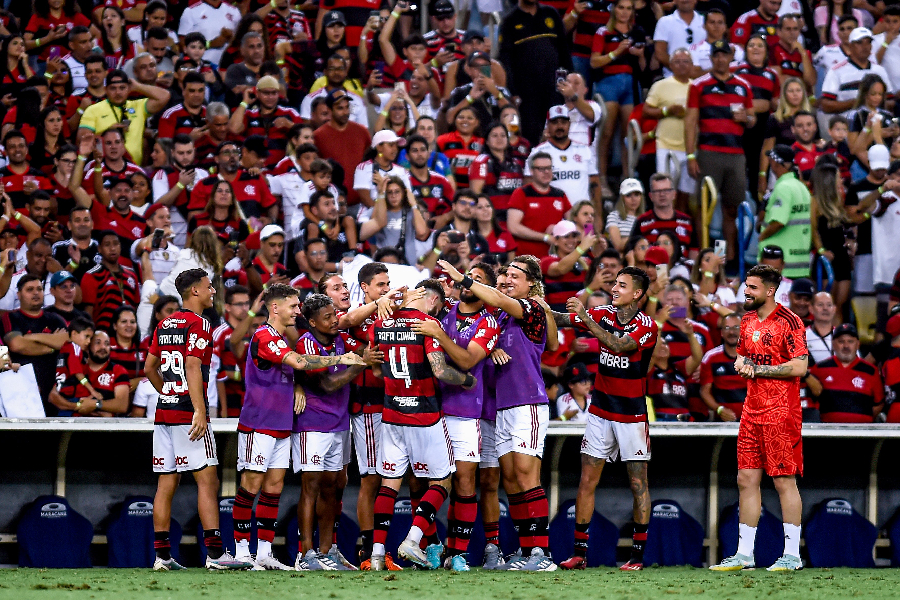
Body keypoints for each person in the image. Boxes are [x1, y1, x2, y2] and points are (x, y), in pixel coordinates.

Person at [438, 256, 559, 571]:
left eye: (515, 275)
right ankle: (524, 550)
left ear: (531, 282)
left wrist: (462, 278)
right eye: (505, 274)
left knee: (525, 474)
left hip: (527, 401)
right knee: (510, 479)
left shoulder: (531, 308)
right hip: (501, 405)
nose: (507, 279)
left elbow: (552, 343)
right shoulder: (500, 317)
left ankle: (542, 554)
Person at [232, 284, 364, 570]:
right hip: (258, 422)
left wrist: (297, 387)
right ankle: (241, 550)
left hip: (282, 423)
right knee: (250, 486)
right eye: (293, 306)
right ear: (275, 307)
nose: (297, 310)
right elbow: (301, 362)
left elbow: (291, 370)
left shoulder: (280, 338)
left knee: (274, 488)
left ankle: (265, 551)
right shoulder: (264, 336)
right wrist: (340, 359)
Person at [542, 266, 657, 570]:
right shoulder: (603, 313)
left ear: (637, 294)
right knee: (586, 481)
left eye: (622, 285)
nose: (615, 288)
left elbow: (619, 345)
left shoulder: (647, 325)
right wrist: (539, 308)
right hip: (600, 411)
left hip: (631, 415)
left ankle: (637, 556)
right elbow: (566, 319)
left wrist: (587, 317)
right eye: (614, 284)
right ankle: (579, 553)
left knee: (638, 484)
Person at [145, 269, 251, 571]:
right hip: (188, 414)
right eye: (208, 287)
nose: (213, 291)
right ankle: (216, 554)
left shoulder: (165, 322)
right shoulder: (200, 323)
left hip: (165, 411)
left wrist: (168, 392)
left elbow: (149, 367)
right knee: (208, 480)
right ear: (194, 291)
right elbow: (192, 365)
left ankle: (162, 556)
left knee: (167, 482)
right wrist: (200, 410)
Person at [366, 279, 473, 570]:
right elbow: (440, 371)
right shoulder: (426, 325)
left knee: (389, 484)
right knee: (442, 480)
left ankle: (376, 554)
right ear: (424, 298)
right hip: (424, 415)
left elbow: (375, 367)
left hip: (391, 414)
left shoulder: (380, 324)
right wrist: (466, 379)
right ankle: (413, 539)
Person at [709, 264, 808, 573]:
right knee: (746, 479)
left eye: (751, 287)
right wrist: (742, 364)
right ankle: (744, 555)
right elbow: (741, 355)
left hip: (781, 412)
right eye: (746, 285)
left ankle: (792, 556)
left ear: (769, 290)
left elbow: (800, 367)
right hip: (751, 411)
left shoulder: (790, 322)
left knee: (783, 481)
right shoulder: (748, 319)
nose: (745, 291)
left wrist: (760, 369)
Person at [410, 264, 500, 571]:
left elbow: (466, 360)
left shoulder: (488, 323)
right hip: (429, 407)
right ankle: (431, 547)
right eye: (467, 276)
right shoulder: (444, 309)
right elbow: (412, 302)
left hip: (464, 411)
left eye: (477, 280)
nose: (467, 282)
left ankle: (456, 553)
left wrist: (438, 334)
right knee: (424, 482)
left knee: (464, 482)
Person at [292, 293, 374, 570]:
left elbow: (365, 348)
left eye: (334, 315)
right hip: (313, 424)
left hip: (340, 424)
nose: (334, 320)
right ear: (312, 321)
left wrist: (365, 355)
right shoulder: (307, 342)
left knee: (333, 489)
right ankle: (306, 553)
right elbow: (327, 385)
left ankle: (326, 552)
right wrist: (359, 363)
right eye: (327, 317)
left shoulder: (341, 339)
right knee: (311, 487)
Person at [685, 40, 756, 268]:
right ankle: (704, 252)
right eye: (716, 55)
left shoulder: (743, 85)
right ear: (712, 58)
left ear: (730, 57)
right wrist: (690, 155)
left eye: (724, 55)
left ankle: (729, 256)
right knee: (704, 205)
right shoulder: (699, 85)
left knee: (731, 207)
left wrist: (746, 118)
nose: (720, 59)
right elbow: (690, 121)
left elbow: (752, 119)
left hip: (735, 153)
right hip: (708, 152)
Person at [499, 0, 571, 145]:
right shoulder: (509, 21)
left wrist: (569, 81)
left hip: (554, 88)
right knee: (531, 133)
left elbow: (564, 50)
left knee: (557, 130)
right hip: (526, 91)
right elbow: (505, 61)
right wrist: (513, 92)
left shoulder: (551, 13)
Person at [0, 274, 69, 413]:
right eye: (30, 289)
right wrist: (51, 346)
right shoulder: (11, 317)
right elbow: (17, 345)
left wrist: (31, 337)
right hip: (23, 391)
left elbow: (65, 343)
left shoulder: (56, 319)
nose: (36, 293)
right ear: (18, 295)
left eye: (39, 289)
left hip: (54, 389)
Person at [78, 69, 171, 165]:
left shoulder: (138, 106)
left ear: (129, 89)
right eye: (113, 88)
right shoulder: (93, 110)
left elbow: (165, 96)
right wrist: (107, 132)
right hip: (103, 167)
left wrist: (137, 86)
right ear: (106, 90)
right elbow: (81, 141)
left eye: (122, 88)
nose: (118, 92)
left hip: (133, 168)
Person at [644, 48, 694, 205]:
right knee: (664, 192)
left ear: (692, 65)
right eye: (677, 62)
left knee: (686, 194)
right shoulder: (661, 85)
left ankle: (680, 225)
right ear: (671, 65)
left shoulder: (697, 87)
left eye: (685, 62)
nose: (682, 65)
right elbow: (646, 110)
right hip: (666, 145)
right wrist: (667, 111)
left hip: (690, 148)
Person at [525, 105, 599, 208]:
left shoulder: (585, 150)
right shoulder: (537, 153)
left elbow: (595, 184)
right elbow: (528, 187)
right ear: (548, 125)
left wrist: (598, 217)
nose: (560, 126)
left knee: (588, 223)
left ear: (569, 124)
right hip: (551, 216)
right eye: (555, 123)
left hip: (584, 218)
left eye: (563, 122)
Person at [807, 323, 883, 423]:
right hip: (827, 433)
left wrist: (863, 419)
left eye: (850, 341)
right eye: (841, 342)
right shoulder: (819, 368)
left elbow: (879, 403)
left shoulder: (871, 371)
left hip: (862, 434)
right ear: (833, 345)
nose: (846, 346)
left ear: (858, 344)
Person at [758, 145, 812, 279]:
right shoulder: (801, 187)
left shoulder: (783, 188)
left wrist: (762, 237)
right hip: (800, 263)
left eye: (770, 160)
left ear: (776, 163)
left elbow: (778, 221)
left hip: (781, 265)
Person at [313, 89, 371, 209]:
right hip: (332, 204)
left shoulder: (362, 132)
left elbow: (369, 161)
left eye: (347, 107)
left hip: (361, 203)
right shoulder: (318, 136)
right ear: (329, 110)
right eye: (340, 108)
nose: (345, 112)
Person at [820, 27, 894, 121]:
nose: (865, 46)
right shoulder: (836, 71)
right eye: (859, 43)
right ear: (851, 46)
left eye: (868, 42)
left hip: (876, 125)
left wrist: (874, 102)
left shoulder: (879, 70)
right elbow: (826, 105)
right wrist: (857, 102)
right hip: (847, 125)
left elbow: (891, 101)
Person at [507, 152, 571, 258]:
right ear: (531, 171)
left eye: (549, 168)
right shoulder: (522, 193)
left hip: (555, 260)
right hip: (526, 260)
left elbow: (577, 221)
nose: (546, 172)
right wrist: (545, 237)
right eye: (541, 169)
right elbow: (513, 227)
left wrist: (559, 228)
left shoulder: (560, 195)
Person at [80, 230, 140, 332]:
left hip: (129, 334)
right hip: (104, 334)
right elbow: (88, 312)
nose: (112, 248)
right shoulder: (91, 275)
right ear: (99, 249)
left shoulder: (132, 274)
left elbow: (137, 307)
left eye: (116, 244)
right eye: (107, 245)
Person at [628, 173, 697, 255]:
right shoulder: (641, 222)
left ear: (674, 194)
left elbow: (694, 253)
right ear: (651, 196)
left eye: (666, 190)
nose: (662, 194)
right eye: (657, 191)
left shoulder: (687, 221)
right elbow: (631, 252)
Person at [699, 313, 747, 422]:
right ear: (721, 333)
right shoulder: (710, 358)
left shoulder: (756, 357)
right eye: (727, 328)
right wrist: (719, 409)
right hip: (723, 423)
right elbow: (704, 392)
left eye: (736, 327)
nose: (731, 332)